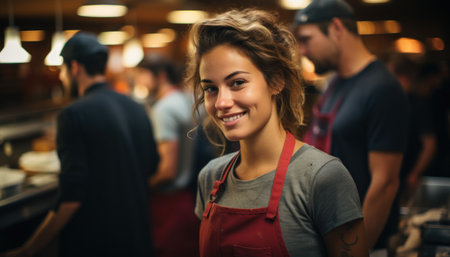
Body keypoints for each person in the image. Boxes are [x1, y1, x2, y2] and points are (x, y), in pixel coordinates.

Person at [186, 8, 369, 257]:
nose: (221, 102)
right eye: (210, 88)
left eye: (237, 83)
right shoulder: (210, 178)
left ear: (276, 81)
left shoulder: (322, 178)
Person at [0, 32, 159, 257]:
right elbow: (152, 167)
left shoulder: (72, 115)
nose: (62, 78)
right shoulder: (136, 107)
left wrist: (28, 249)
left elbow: (71, 197)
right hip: (137, 238)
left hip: (96, 244)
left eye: (62, 71)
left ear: (74, 68)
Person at [293, 0, 409, 252]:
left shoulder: (382, 89)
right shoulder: (335, 83)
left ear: (336, 28)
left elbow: (385, 183)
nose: (302, 50)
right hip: (326, 231)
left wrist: (356, 248)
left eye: (306, 39)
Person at [134, 54, 199, 257]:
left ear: (160, 75)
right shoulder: (185, 98)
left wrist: (140, 188)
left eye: (142, 75)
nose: (139, 81)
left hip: (169, 204)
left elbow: (167, 171)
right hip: (189, 198)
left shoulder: (164, 109)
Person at [386, 54, 436, 203]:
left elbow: (430, 144)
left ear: (403, 78)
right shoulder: (392, 103)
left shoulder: (417, 104)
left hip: (409, 178)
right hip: (394, 175)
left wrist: (415, 173)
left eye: (389, 76)